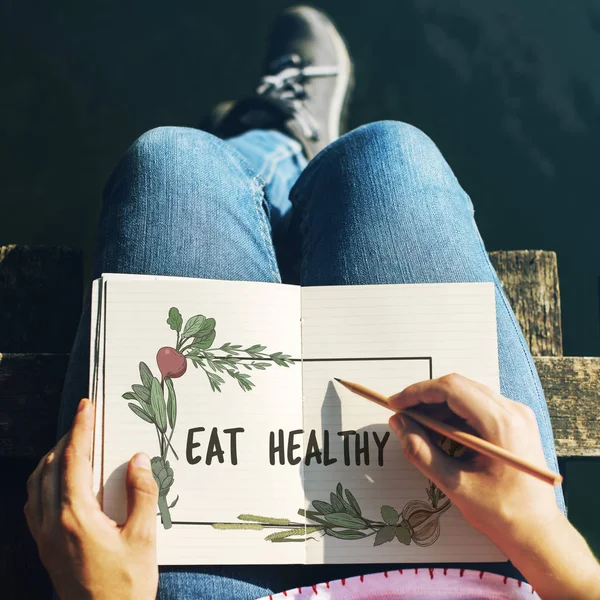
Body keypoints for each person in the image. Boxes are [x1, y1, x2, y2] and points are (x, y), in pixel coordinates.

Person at [24, 6, 600, 599]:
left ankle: (267, 148)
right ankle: (284, 153)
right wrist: (550, 541)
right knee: (387, 155)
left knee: (172, 163)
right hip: (476, 576)